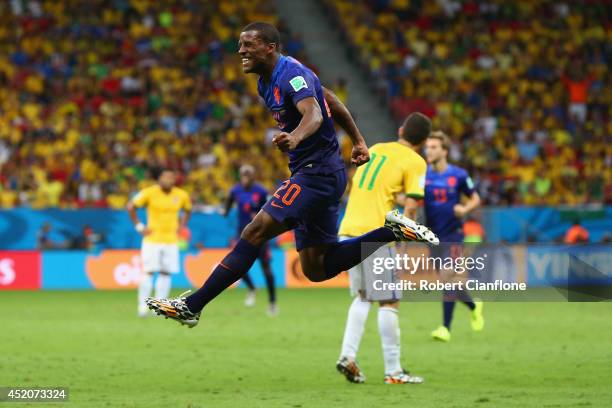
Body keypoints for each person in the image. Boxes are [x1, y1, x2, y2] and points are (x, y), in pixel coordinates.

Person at [146, 22, 438, 328]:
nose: (241, 51)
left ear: (269, 48)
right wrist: (359, 139)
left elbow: (313, 112)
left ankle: (192, 305)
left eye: (248, 45)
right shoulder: (267, 80)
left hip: (316, 174)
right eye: (240, 44)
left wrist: (297, 137)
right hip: (322, 173)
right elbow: (330, 99)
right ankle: (390, 232)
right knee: (316, 269)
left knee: (254, 232)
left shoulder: (291, 74)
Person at [336, 112, 430, 385]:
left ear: (401, 130)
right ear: (423, 141)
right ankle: (393, 372)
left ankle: (347, 356)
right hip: (376, 233)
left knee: (363, 297)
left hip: (347, 230)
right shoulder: (416, 161)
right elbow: (412, 206)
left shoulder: (376, 149)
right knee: (389, 301)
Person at [424, 131, 483, 342]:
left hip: (454, 235)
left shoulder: (458, 175)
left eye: (433, 147)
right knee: (449, 283)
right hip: (432, 236)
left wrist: (465, 209)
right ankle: (474, 306)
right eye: (427, 147)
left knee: (448, 275)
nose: (428, 150)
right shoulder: (423, 176)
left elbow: (476, 199)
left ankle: (445, 328)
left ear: (444, 151)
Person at [127, 168, 192, 317]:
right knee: (148, 272)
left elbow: (188, 210)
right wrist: (139, 226)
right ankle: (143, 306)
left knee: (166, 273)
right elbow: (131, 206)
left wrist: (182, 226)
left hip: (171, 240)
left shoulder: (181, 195)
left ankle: (160, 306)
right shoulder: (149, 192)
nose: (168, 180)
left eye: (171, 177)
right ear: (160, 179)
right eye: (165, 177)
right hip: (152, 240)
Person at [224, 164, 277, 315]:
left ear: (254, 176)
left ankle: (272, 302)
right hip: (243, 234)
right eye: (243, 174)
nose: (246, 177)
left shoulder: (261, 191)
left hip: (260, 234)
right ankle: (252, 288)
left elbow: (270, 208)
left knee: (266, 268)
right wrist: (225, 210)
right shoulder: (235, 190)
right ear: (240, 175)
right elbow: (227, 205)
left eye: (249, 174)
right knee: (237, 265)